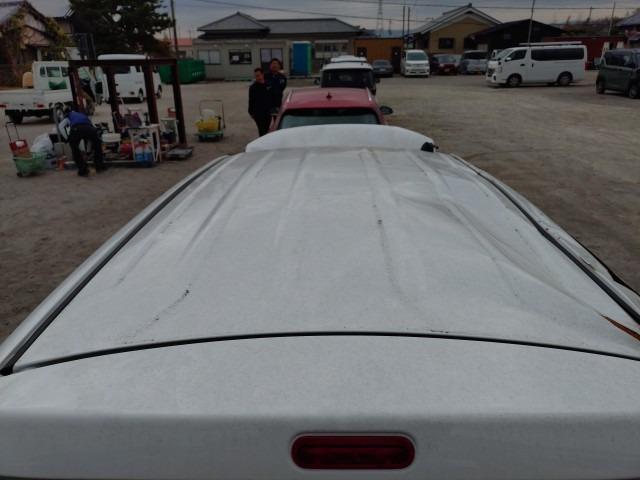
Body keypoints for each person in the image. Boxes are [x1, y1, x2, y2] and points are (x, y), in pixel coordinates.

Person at [59, 106, 106, 176]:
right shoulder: (81, 114)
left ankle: (83, 170)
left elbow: (60, 126)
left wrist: (67, 138)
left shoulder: (68, 116)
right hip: (89, 128)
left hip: (76, 129)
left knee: (75, 149)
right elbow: (90, 128)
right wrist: (88, 150)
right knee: (97, 144)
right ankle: (99, 166)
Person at [248, 67, 272, 137]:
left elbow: (272, 97)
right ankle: (262, 142)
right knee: (261, 130)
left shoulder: (268, 84)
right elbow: (251, 100)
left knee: (267, 129)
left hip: (268, 112)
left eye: (258, 75)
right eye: (256, 76)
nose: (257, 77)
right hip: (258, 113)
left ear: (262, 74)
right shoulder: (253, 87)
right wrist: (251, 112)